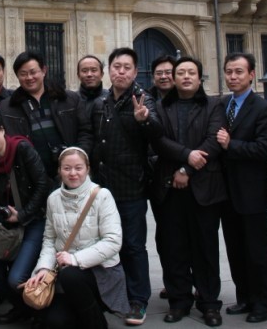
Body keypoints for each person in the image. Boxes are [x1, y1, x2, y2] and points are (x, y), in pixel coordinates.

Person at [151, 56, 225, 327]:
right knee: (174, 248)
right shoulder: (161, 106)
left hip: (204, 187)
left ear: (199, 77)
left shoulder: (214, 105)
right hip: (169, 187)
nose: (185, 77)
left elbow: (214, 140)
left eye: (191, 72)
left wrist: (187, 169)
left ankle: (209, 303)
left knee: (205, 248)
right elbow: (158, 140)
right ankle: (179, 301)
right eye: (180, 72)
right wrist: (185, 156)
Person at [24, 146, 130, 329]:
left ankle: (97, 324)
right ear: (59, 170)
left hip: (102, 272)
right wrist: (44, 268)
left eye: (78, 168)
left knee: (70, 276)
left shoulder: (102, 196)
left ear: (87, 169)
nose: (73, 173)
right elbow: (49, 239)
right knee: (54, 322)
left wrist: (75, 259)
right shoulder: (53, 199)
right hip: (68, 274)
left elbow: (113, 241)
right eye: (67, 168)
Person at [92, 47, 161, 326]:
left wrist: (145, 120)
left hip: (132, 186)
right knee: (106, 245)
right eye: (116, 66)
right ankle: (112, 295)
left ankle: (138, 300)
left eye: (126, 67)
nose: (120, 72)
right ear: (109, 70)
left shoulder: (144, 99)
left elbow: (157, 133)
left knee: (133, 245)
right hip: (103, 188)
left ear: (135, 71)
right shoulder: (101, 101)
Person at [216, 53, 267, 324]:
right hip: (226, 192)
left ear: (251, 74)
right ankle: (244, 297)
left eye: (239, 72)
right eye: (229, 71)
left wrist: (231, 145)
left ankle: (265, 303)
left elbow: (264, 148)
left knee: (258, 251)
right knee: (235, 248)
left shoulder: (263, 108)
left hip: (252, 192)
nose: (233, 77)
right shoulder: (222, 105)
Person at [0, 113, 52, 325]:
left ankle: (38, 311)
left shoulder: (22, 148)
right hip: (7, 224)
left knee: (16, 277)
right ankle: (21, 308)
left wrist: (23, 214)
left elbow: (42, 184)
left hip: (34, 219)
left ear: (1, 130)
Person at [0, 51, 94, 180]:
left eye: (33, 72)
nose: (29, 77)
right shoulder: (7, 107)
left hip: (71, 174)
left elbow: (86, 131)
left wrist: (77, 158)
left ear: (44, 71)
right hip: (32, 178)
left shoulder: (69, 99)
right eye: (23, 74)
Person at [75, 54, 108, 122]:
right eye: (84, 71)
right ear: (78, 75)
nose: (89, 74)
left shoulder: (111, 99)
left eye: (94, 70)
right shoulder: (72, 101)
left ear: (102, 74)